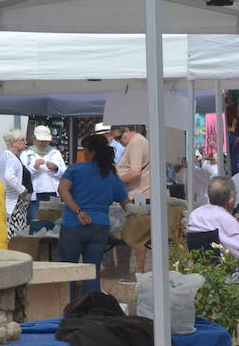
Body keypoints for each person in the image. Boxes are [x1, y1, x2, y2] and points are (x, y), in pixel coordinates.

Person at [58, 134, 130, 297]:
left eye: (85, 150)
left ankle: (67, 308)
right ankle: (91, 310)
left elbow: (62, 190)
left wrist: (78, 211)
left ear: (92, 152)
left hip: (73, 225)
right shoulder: (112, 175)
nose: (83, 153)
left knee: (67, 271)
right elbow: (127, 205)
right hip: (100, 227)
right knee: (92, 272)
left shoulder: (75, 169)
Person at [188, 176, 239, 265]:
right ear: (231, 201)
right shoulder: (225, 219)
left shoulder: (195, 215)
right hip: (225, 274)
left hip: (200, 269)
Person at [22, 125, 65, 220]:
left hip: (52, 192)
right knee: (35, 220)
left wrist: (55, 168)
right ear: (34, 139)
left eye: (45, 141)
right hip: (35, 194)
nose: (43, 143)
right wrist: (34, 167)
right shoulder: (26, 154)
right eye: (41, 141)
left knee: (54, 220)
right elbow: (23, 176)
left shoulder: (55, 153)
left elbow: (65, 174)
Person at [0, 128, 31, 239]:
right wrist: (22, 189)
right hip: (14, 201)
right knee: (15, 234)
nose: (25, 142)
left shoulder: (5, 155)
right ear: (13, 142)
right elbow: (9, 176)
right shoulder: (11, 157)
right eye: (21, 139)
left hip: (9, 199)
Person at [115, 124, 151, 201]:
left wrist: (114, 182)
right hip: (137, 195)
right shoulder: (136, 142)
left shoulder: (136, 142)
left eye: (118, 137)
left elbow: (135, 172)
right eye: (115, 139)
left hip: (139, 196)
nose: (118, 141)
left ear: (127, 130)